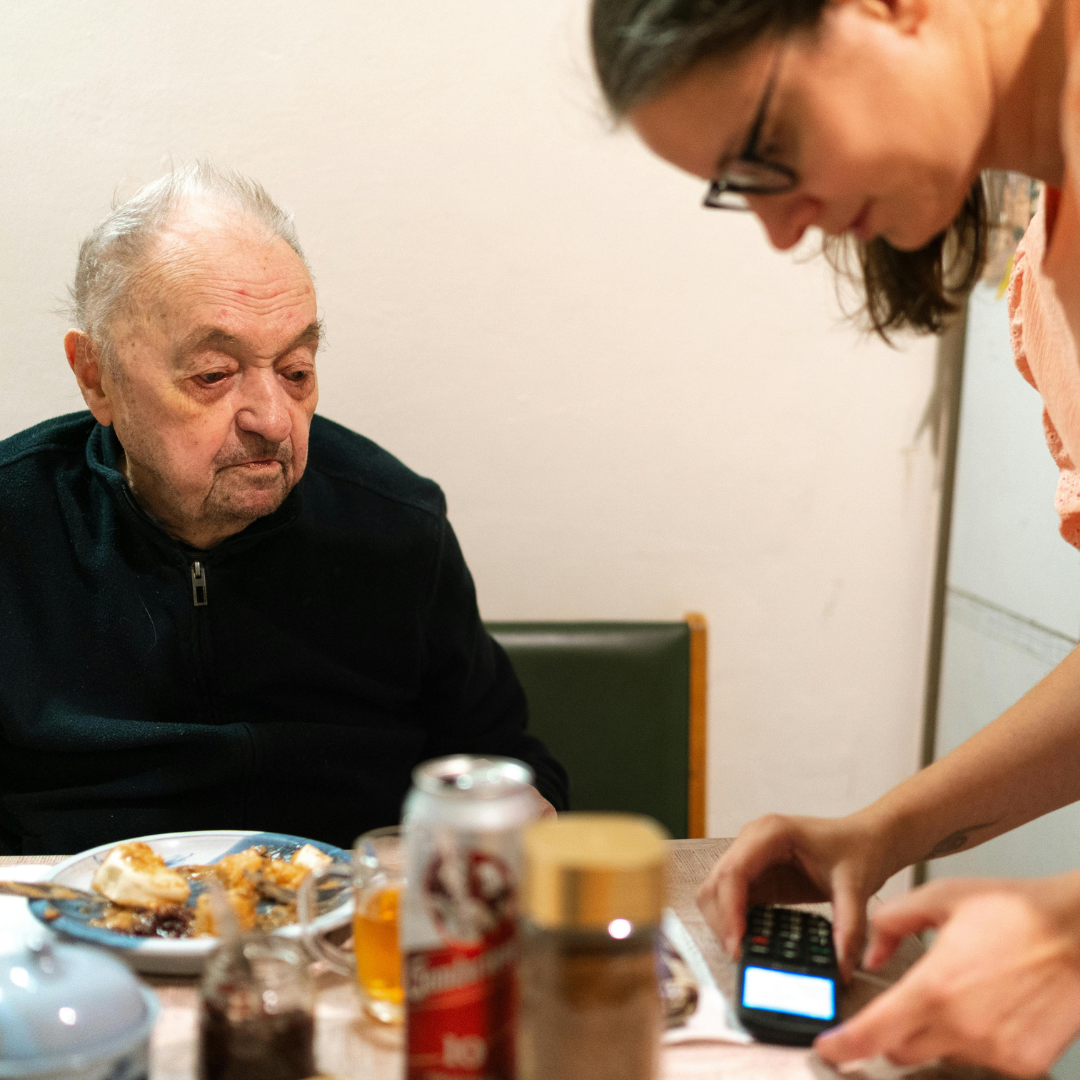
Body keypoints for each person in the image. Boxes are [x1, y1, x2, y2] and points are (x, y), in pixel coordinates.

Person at [591, 0, 1080, 1073]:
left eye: (764, 154)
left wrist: (1067, 936)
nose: (778, 228)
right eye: (739, 189)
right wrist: (886, 830)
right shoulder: (1049, 266)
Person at [0, 163, 567, 857]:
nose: (273, 419)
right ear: (97, 377)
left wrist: (516, 807)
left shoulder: (394, 525)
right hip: (62, 936)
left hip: (340, 934)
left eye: (297, 371)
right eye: (214, 375)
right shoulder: (13, 524)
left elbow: (507, 762)